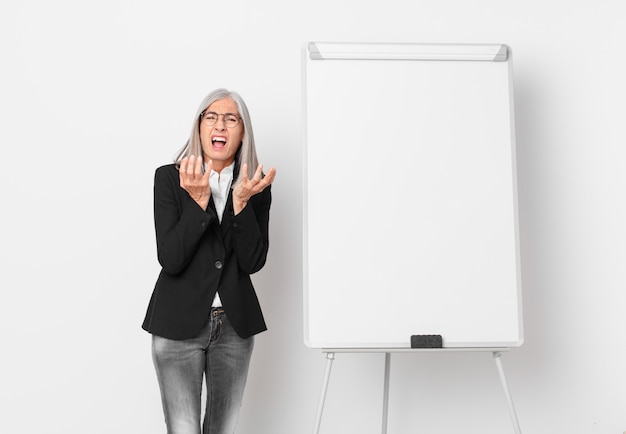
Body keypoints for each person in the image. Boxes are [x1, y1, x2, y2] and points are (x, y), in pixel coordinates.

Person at [142, 88, 276, 434]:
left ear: (242, 132)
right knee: (184, 429)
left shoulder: (254, 186)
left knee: (223, 429)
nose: (221, 125)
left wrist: (243, 205)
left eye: (231, 119)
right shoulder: (169, 179)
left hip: (234, 327)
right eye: (212, 117)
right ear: (199, 127)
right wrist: (199, 204)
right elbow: (170, 259)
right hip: (177, 326)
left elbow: (253, 261)